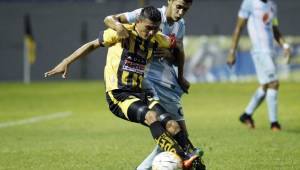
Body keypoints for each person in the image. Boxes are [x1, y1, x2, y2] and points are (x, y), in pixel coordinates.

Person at [44, 6, 205, 170]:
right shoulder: (122, 33)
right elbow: (92, 45)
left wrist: (176, 65)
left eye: (155, 29)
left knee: (173, 125)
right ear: (139, 22)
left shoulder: (157, 38)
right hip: (119, 95)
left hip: (141, 92)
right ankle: (182, 157)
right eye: (148, 28)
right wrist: (66, 62)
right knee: (151, 117)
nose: (151, 33)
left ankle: (196, 162)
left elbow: (178, 46)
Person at [104, 0, 205, 169]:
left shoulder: (180, 25)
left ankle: (165, 164)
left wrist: (178, 73)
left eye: (185, 9)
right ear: (170, 1)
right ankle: (187, 162)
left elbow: (176, 53)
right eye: (178, 7)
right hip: (148, 82)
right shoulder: (148, 15)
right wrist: (118, 26)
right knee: (176, 131)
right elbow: (111, 19)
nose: (180, 12)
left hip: (167, 83)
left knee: (172, 131)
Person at [227, 0, 291, 131]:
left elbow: (274, 28)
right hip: (259, 51)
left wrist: (284, 45)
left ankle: (246, 115)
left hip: (270, 51)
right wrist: (232, 51)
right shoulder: (249, 3)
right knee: (274, 83)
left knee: (266, 85)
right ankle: (274, 124)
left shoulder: (272, 5)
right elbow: (239, 28)